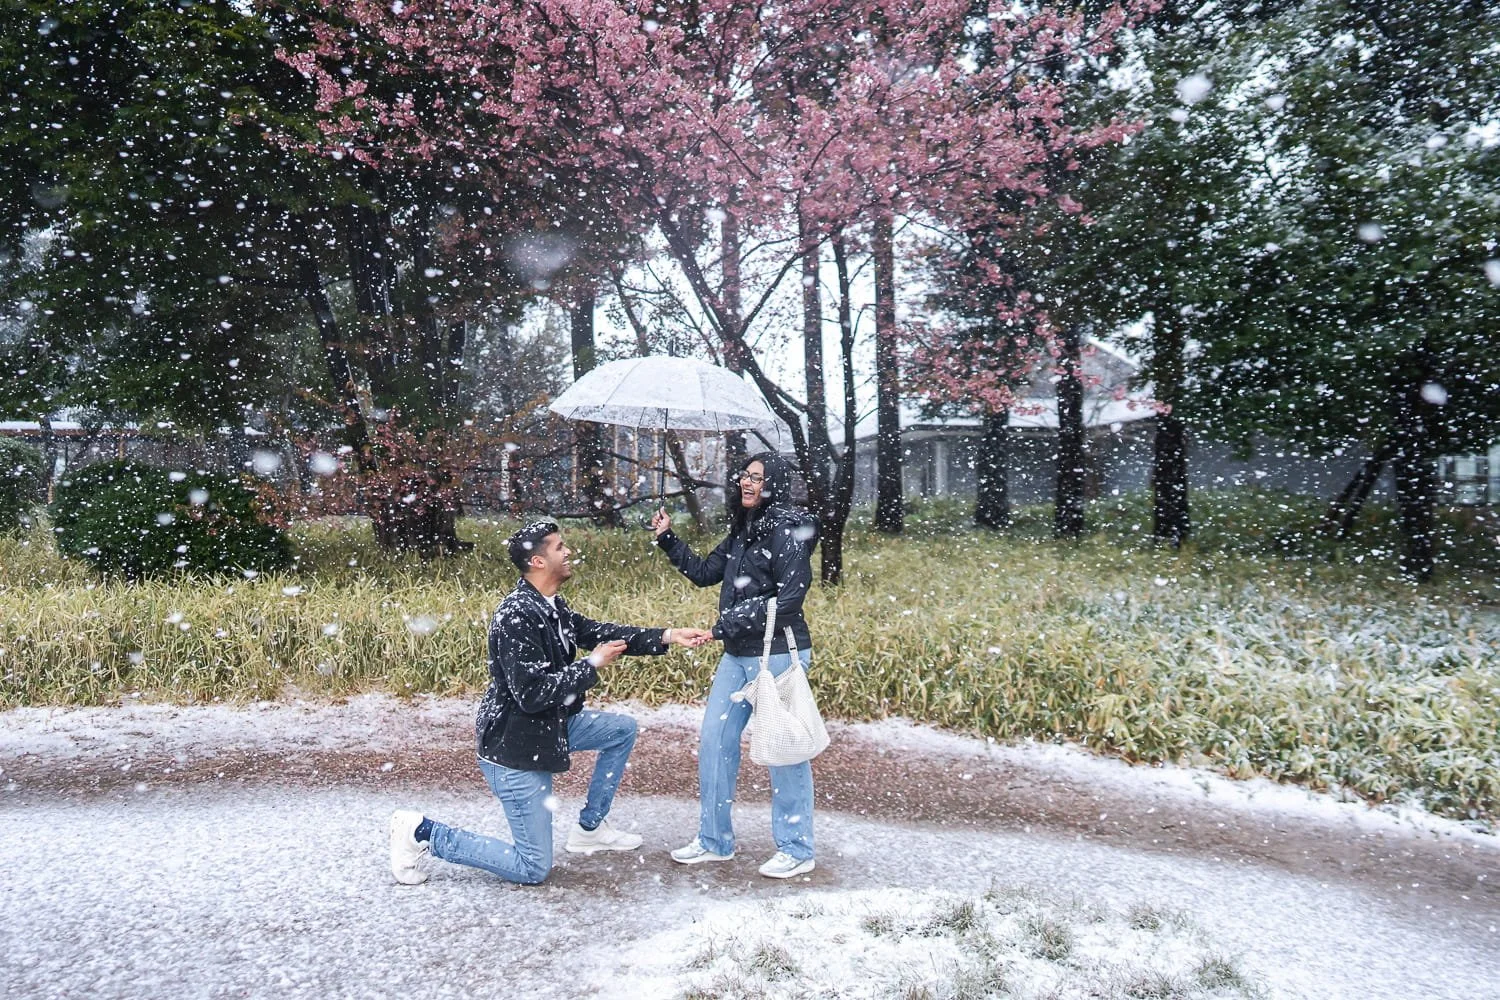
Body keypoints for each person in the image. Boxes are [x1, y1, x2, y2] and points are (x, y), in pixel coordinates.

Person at [388, 519, 711, 886]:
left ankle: (590, 828)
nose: (568, 551)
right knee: (533, 867)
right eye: (559, 547)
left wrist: (667, 635)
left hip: (549, 728)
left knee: (621, 730)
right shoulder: (516, 616)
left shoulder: (549, 605)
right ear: (538, 562)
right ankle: (422, 833)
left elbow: (596, 632)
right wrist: (591, 665)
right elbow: (532, 695)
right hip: (516, 748)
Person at [649, 451, 820, 879]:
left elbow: (789, 598)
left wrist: (724, 624)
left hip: (776, 653)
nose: (747, 482)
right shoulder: (745, 529)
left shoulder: (787, 529)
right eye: (745, 476)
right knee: (715, 741)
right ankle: (714, 841)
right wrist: (668, 538)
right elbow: (705, 572)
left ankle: (797, 848)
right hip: (738, 653)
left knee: (784, 749)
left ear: (774, 484)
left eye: (757, 478)